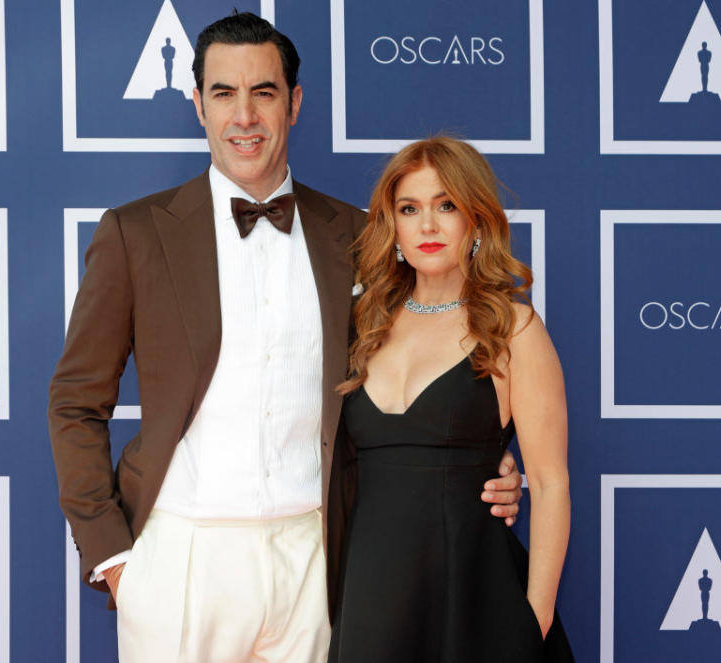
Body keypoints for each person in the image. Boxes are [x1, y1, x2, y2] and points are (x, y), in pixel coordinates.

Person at [48, 13, 524, 663]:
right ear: (198, 105)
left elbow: (427, 355)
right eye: (223, 93)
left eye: (263, 92)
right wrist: (114, 557)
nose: (244, 115)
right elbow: (76, 400)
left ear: (294, 103)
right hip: (181, 561)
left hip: (318, 561)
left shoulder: (360, 237)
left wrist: (481, 457)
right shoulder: (135, 234)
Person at [328, 136, 574, 662]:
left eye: (447, 206)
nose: (428, 225)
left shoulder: (514, 329)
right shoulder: (362, 326)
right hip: (371, 599)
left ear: (476, 220)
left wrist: (535, 617)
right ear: (392, 225)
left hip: (478, 603)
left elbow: (551, 483)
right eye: (409, 209)